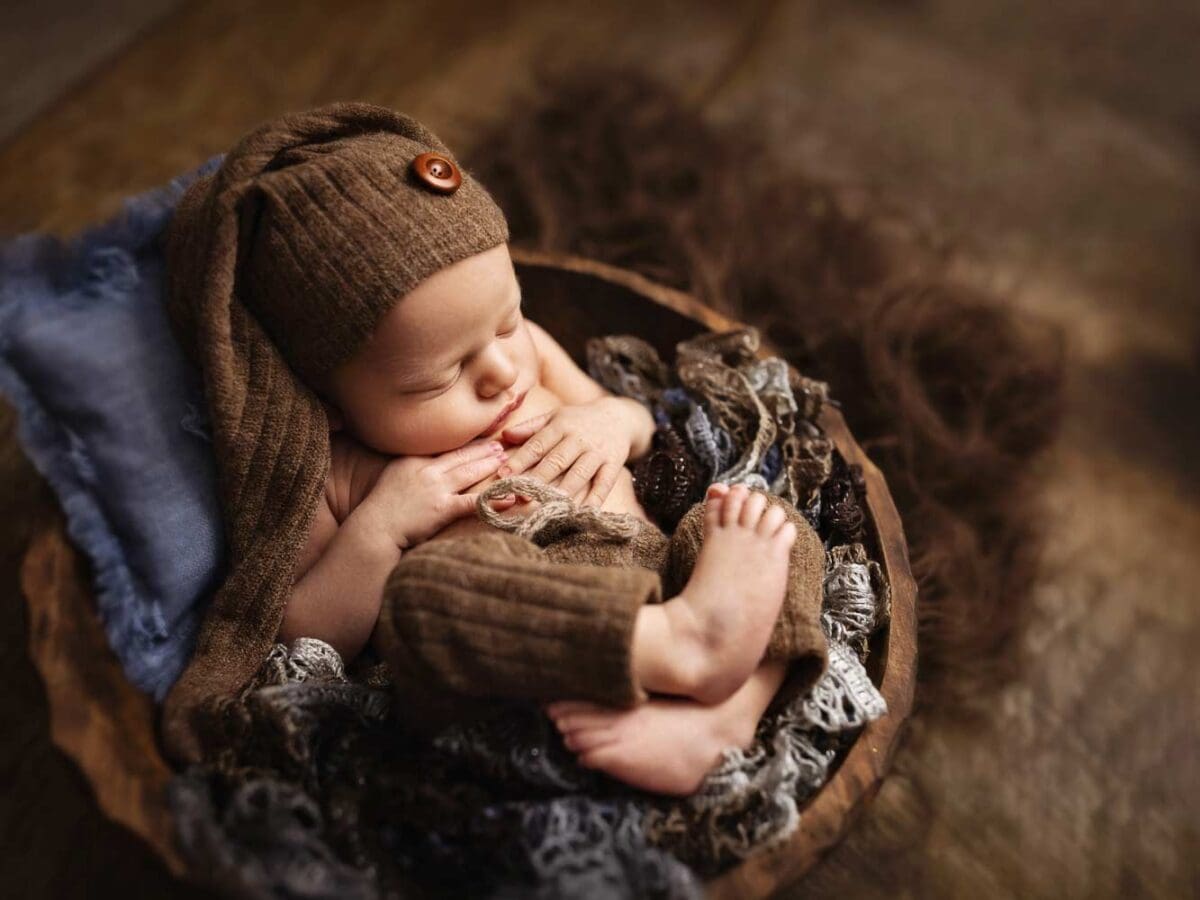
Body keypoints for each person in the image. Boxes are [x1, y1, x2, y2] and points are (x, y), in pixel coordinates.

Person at [162, 102, 828, 795]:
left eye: (508, 321)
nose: (503, 371)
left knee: (758, 522)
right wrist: (382, 529)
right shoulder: (337, 470)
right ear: (326, 403)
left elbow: (638, 420)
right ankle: (681, 650)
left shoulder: (529, 356)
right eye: (443, 375)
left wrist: (610, 421)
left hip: (655, 574)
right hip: (514, 653)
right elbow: (307, 630)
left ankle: (726, 711)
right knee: (424, 599)